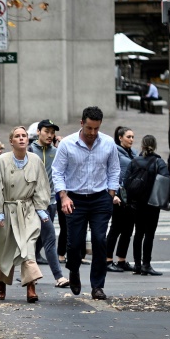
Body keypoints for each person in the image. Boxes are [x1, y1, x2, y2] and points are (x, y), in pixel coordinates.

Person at [52, 106, 121, 300]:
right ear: (82, 123)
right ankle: (73, 270)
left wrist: (111, 193)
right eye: (89, 128)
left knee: (100, 240)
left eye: (96, 129)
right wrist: (63, 196)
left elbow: (114, 170)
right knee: (75, 244)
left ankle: (97, 286)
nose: (92, 133)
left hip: (100, 198)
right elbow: (57, 171)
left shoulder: (108, 143)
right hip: (75, 198)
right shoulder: (67, 144)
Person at [0, 126, 51, 303]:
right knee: (8, 249)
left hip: (27, 211)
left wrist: (41, 209)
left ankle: (31, 286)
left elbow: (41, 186)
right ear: (11, 141)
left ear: (28, 139)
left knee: (28, 249)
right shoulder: (2, 161)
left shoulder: (35, 161)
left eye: (24, 136)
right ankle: (2, 283)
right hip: (8, 209)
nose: (21, 138)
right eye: (17, 136)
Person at [27, 119, 70, 288]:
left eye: (52, 133)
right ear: (38, 131)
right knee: (50, 237)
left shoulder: (56, 151)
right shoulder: (30, 150)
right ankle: (59, 277)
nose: (50, 135)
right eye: (46, 131)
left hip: (51, 202)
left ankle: (29, 273)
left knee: (38, 239)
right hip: (33, 204)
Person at [126, 134, 170, 276]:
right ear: (155, 145)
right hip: (152, 204)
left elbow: (126, 182)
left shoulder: (134, 161)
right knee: (149, 235)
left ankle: (137, 265)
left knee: (138, 233)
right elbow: (166, 183)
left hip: (137, 204)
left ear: (142, 145)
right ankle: (146, 264)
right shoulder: (159, 162)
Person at [106, 126, 137, 273]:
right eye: (128, 137)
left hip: (131, 197)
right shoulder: (115, 152)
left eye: (132, 137)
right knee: (115, 228)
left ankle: (121, 260)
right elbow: (109, 173)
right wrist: (113, 194)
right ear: (120, 137)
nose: (131, 139)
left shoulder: (133, 153)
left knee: (128, 230)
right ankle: (107, 260)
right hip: (118, 196)